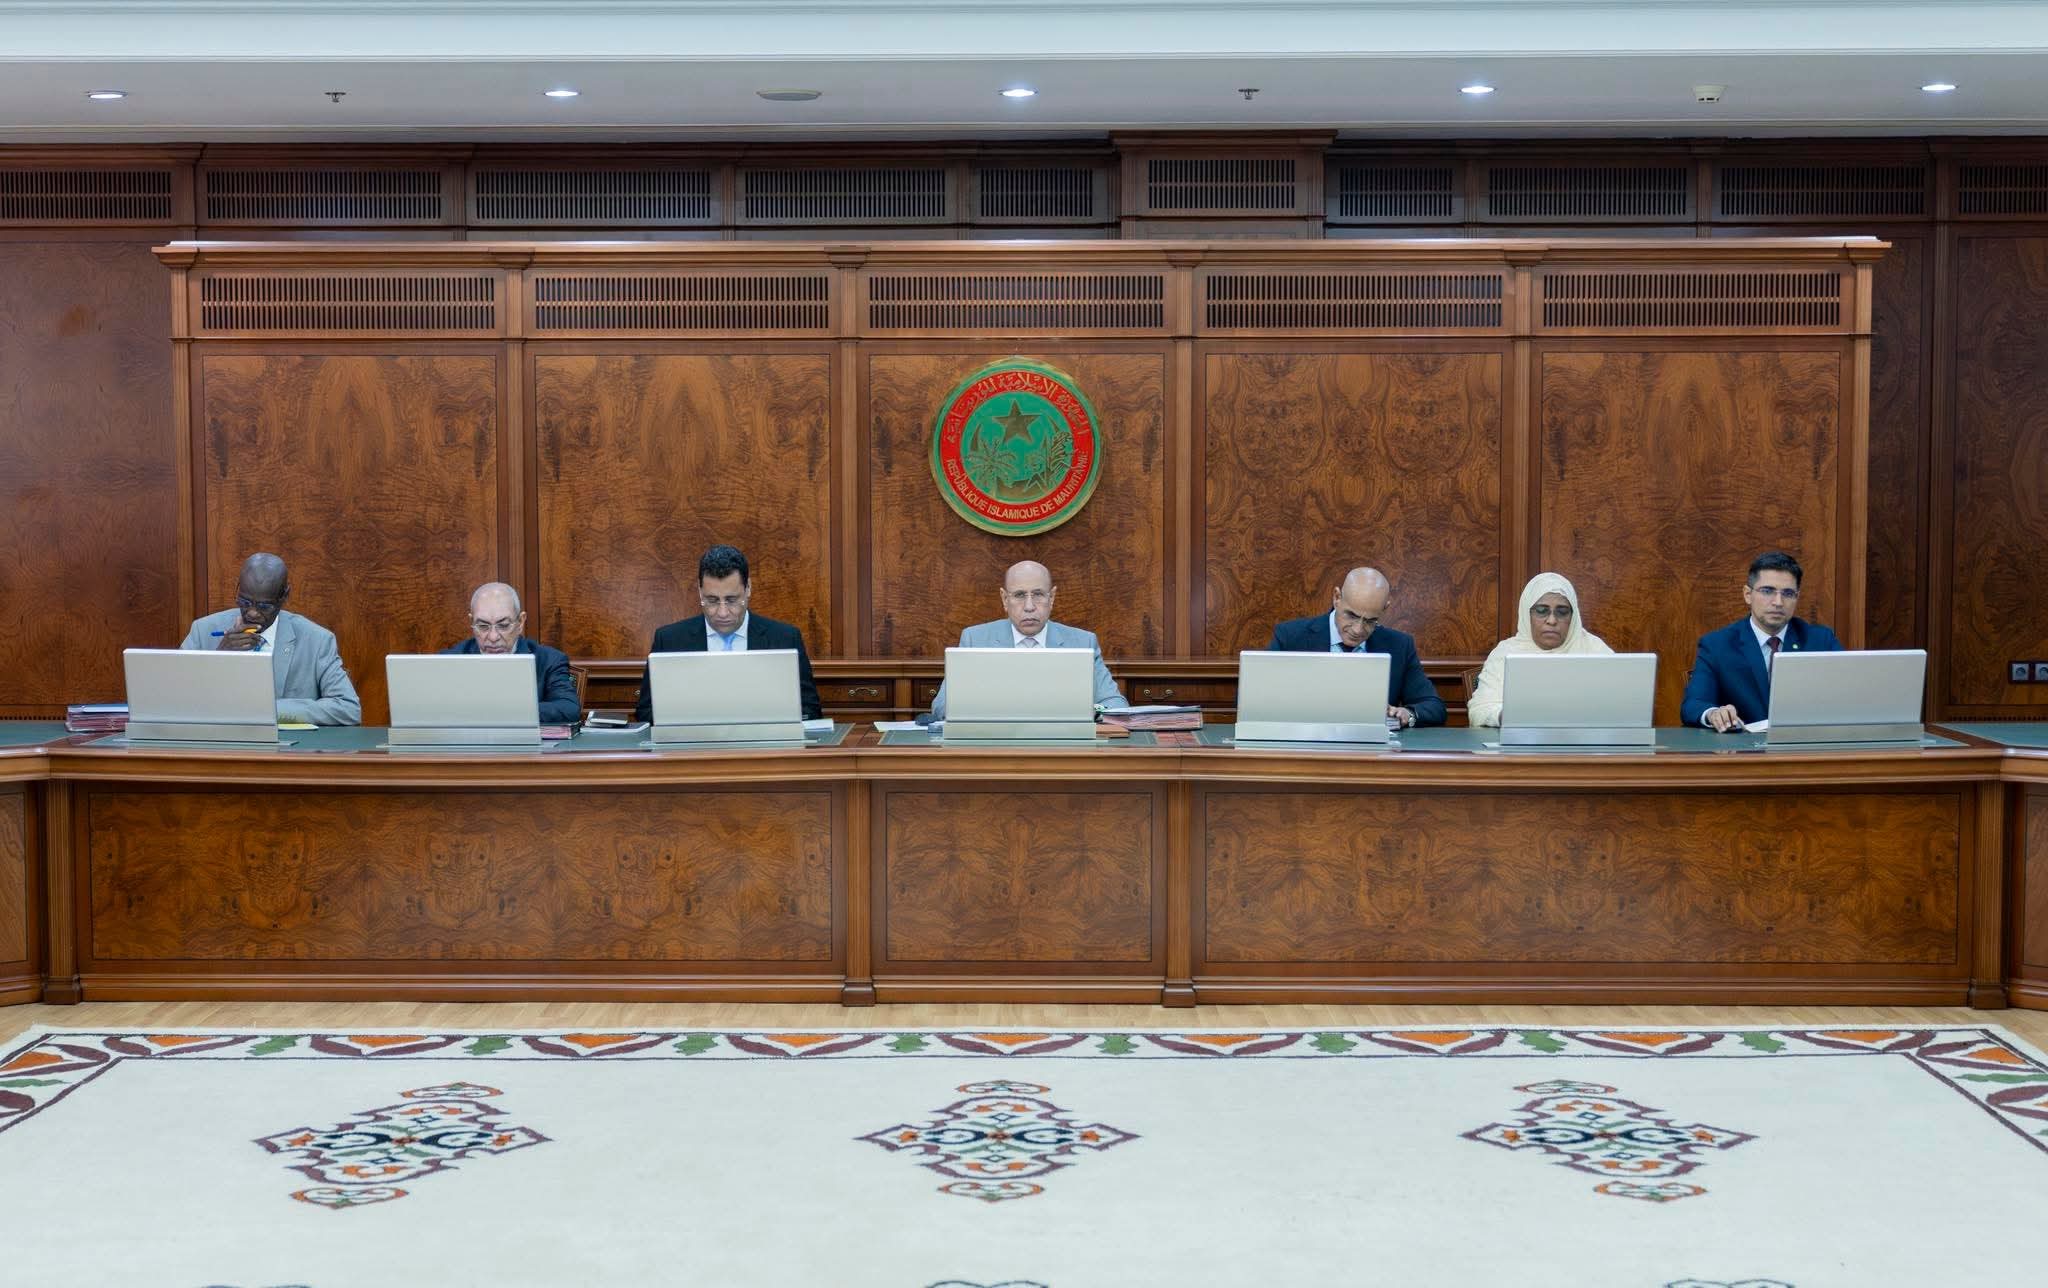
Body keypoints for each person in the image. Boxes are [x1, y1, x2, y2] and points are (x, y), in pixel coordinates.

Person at [633, 544, 822, 723]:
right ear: (700, 591)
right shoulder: (669, 640)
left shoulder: (785, 639)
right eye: (712, 600)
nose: (722, 613)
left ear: (748, 588)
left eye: (732, 600)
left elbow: (810, 711)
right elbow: (646, 713)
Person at [927, 560, 1128, 722]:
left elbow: (1116, 705)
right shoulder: (975, 640)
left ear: (1052, 598)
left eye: (1038, 594)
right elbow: (942, 706)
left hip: (1062, 748)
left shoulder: (1083, 642)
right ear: (1005, 599)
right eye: (1019, 595)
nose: (1029, 606)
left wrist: (1086, 711)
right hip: (996, 746)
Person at [178, 552, 361, 726]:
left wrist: (268, 710)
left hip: (286, 746)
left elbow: (348, 708)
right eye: (245, 602)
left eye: (264, 606)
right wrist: (218, 659)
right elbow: (174, 698)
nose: (252, 613)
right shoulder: (203, 631)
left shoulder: (317, 641)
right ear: (238, 588)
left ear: (285, 596)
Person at [1680, 550, 1842, 732]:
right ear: (1747, 594)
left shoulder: (1821, 641)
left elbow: (1847, 695)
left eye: (1788, 593)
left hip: (1804, 743)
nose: (1778, 602)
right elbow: (1693, 704)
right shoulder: (1717, 645)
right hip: (1741, 746)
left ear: (1797, 597)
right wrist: (1714, 714)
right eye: (1767, 591)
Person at [1267, 567, 1445, 728]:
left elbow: (1434, 707)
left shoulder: (1399, 645)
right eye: (1351, 615)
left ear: (1385, 609)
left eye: (1370, 621)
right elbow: (1261, 698)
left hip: (1372, 751)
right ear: (1337, 598)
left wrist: (1408, 714)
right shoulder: (1290, 637)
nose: (1358, 630)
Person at [1466, 572, 1614, 728]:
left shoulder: (1593, 649)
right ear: (1527, 614)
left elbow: (1620, 705)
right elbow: (1478, 712)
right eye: (1542, 611)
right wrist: (1508, 716)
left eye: (1562, 612)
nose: (1552, 620)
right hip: (1522, 740)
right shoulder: (1506, 653)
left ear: (1573, 616)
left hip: (1585, 740)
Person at [441, 582, 580, 725]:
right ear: (472, 622)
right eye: (483, 626)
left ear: (520, 622)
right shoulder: (448, 661)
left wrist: (504, 712)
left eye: (503, 625)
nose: (493, 637)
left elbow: (569, 709)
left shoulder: (549, 660)